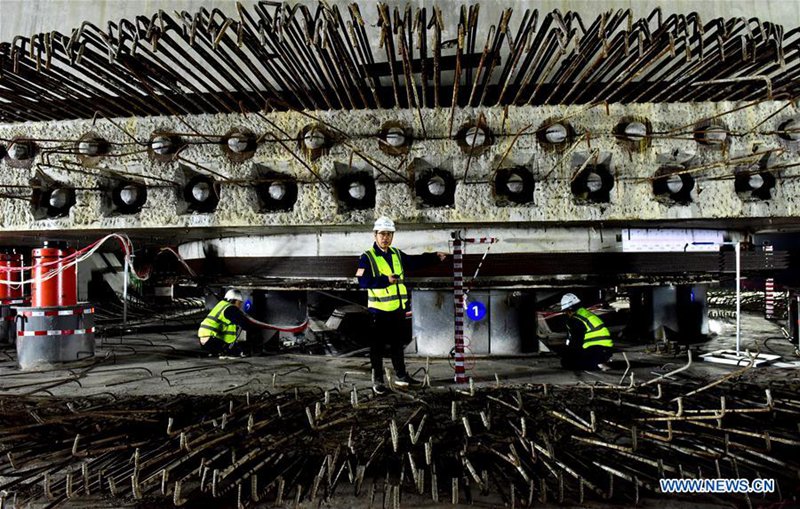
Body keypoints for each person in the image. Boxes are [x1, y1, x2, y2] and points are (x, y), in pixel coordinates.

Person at [357, 216, 447, 394]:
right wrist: (385, 280)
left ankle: (401, 377)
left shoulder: (396, 254)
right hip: (379, 311)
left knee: (397, 345)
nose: (386, 238)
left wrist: (435, 257)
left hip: (397, 310)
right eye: (382, 234)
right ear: (375, 235)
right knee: (378, 348)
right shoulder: (367, 257)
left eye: (389, 234)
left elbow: (414, 262)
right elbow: (362, 281)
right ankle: (378, 381)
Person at [198, 289, 279, 358]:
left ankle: (224, 351)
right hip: (212, 341)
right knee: (239, 352)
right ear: (233, 300)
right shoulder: (230, 308)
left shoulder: (221, 305)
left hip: (207, 340)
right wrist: (257, 329)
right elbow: (245, 325)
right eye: (239, 302)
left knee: (237, 348)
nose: (240, 305)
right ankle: (256, 352)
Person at [559, 293, 614, 371]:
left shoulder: (575, 319)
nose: (566, 314)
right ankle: (599, 362)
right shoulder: (585, 314)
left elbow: (576, 341)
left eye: (566, 312)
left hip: (594, 350)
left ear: (569, 309)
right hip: (606, 350)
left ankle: (596, 364)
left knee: (567, 363)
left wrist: (567, 353)